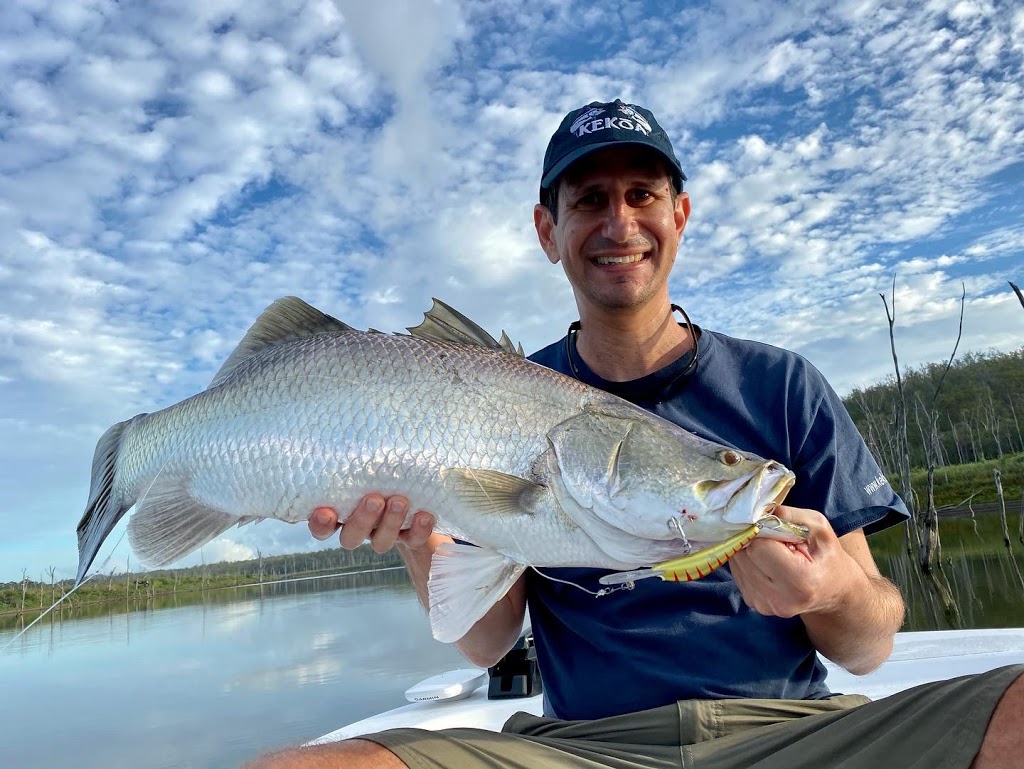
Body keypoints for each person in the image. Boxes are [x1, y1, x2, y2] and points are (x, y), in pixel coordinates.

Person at [246, 100, 1023, 769]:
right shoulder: (492, 392)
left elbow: (868, 648)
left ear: (678, 215)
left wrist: (831, 589)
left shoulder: (782, 386)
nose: (619, 222)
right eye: (589, 200)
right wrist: (421, 530)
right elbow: (486, 643)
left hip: (791, 736)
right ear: (549, 230)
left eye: (642, 193)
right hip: (579, 745)